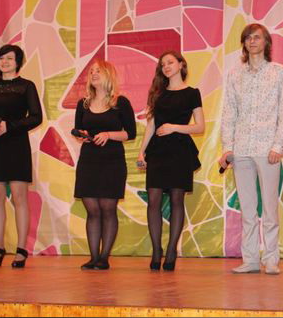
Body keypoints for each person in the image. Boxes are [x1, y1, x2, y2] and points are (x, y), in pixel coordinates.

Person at [219, 23, 283, 275]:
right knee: (247, 208)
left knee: (269, 208)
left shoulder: (278, 72)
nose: (252, 41)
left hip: (268, 148)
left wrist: (279, 145)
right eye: (248, 37)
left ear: (266, 42)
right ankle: (249, 259)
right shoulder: (234, 75)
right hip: (241, 148)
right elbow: (229, 112)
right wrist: (227, 148)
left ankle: (271, 258)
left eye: (257, 37)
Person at [137, 51, 204, 272]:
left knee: (177, 200)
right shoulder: (158, 94)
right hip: (157, 151)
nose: (166, 66)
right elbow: (151, 125)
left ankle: (172, 249)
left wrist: (174, 127)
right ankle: (156, 250)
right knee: (153, 200)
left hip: (180, 152)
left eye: (170, 62)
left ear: (181, 64)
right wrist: (141, 152)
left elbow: (200, 126)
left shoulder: (192, 93)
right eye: (163, 64)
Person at [0, 44, 43, 268]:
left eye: (9, 58)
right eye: (1, 58)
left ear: (18, 62)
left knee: (19, 198)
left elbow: (36, 117)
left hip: (17, 145)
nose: (4, 62)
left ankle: (21, 249)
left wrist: (10, 126)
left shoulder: (26, 86)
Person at [74, 60, 136, 270]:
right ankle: (93, 258)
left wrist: (109, 134)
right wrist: (82, 135)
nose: (93, 73)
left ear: (109, 74)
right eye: (91, 71)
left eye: (98, 71)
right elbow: (78, 129)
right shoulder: (83, 104)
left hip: (112, 161)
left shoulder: (121, 102)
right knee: (92, 209)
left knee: (108, 209)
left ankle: (103, 258)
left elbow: (130, 133)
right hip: (88, 160)